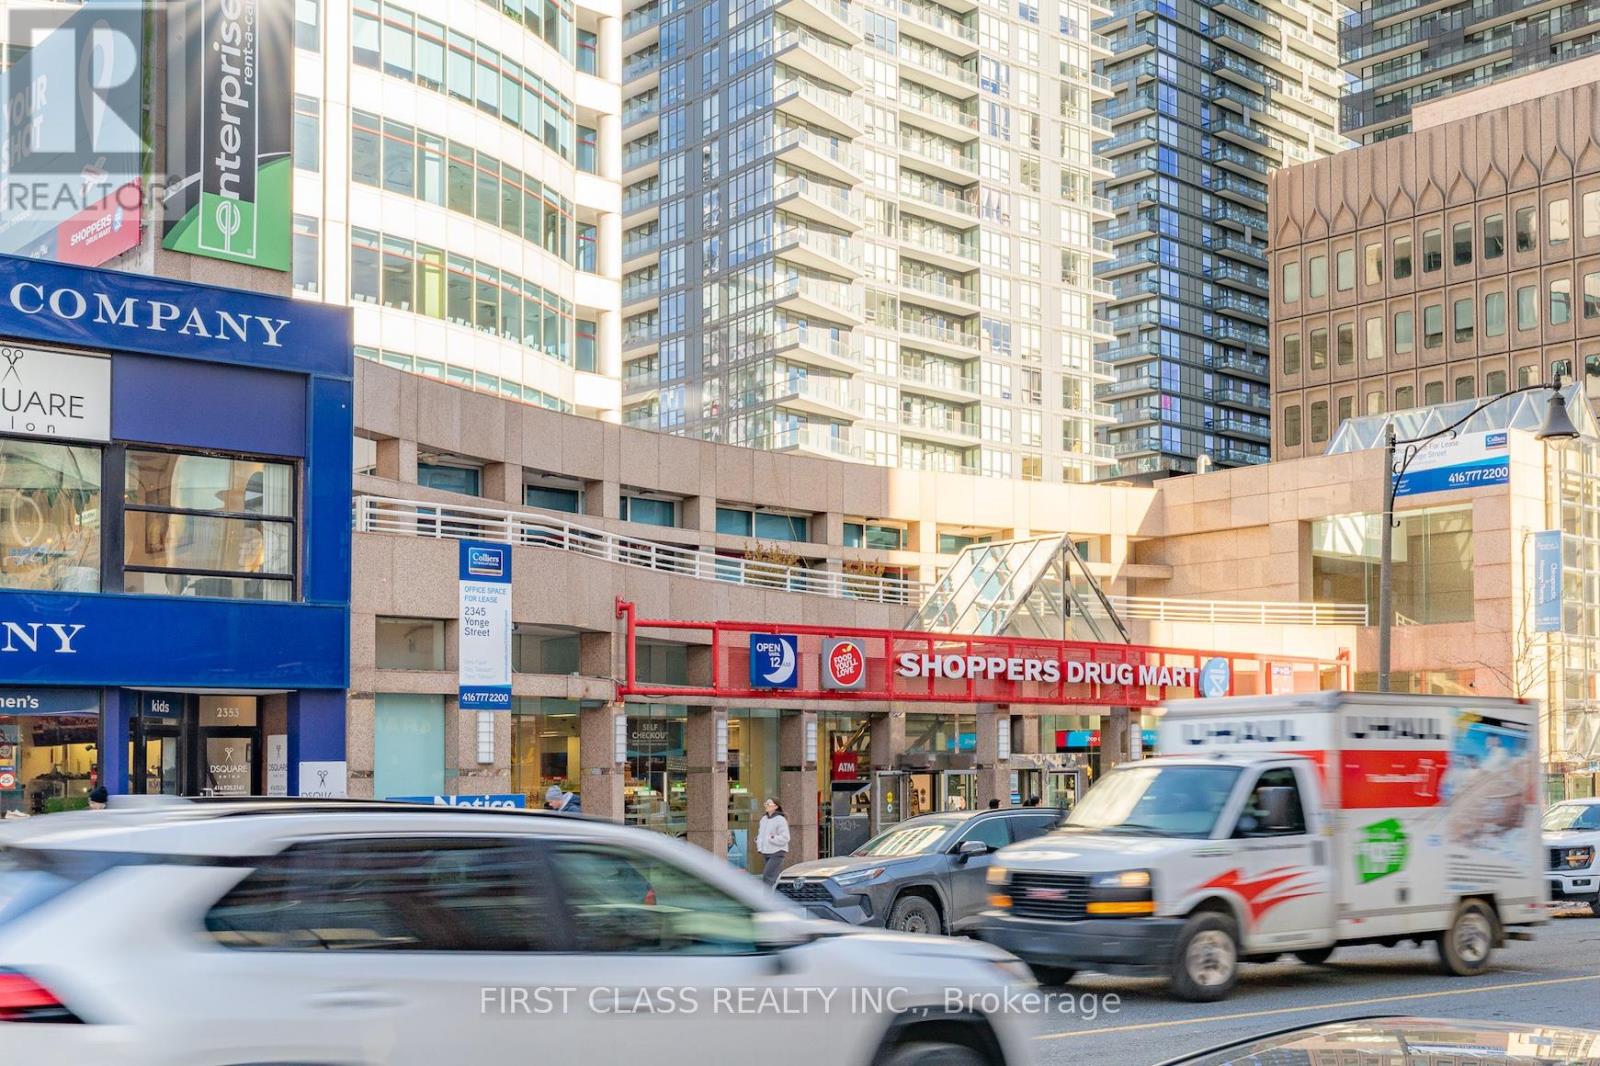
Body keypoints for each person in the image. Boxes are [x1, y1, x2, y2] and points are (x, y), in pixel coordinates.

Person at [756, 797, 790, 887]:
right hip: (766, 852)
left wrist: (771, 838)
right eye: (765, 804)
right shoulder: (763, 819)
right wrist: (759, 843)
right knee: (772, 877)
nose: (766, 806)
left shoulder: (780, 819)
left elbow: (785, 837)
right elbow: (760, 834)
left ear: (776, 806)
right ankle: (775, 893)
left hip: (777, 852)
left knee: (767, 875)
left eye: (769, 804)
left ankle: (767, 895)